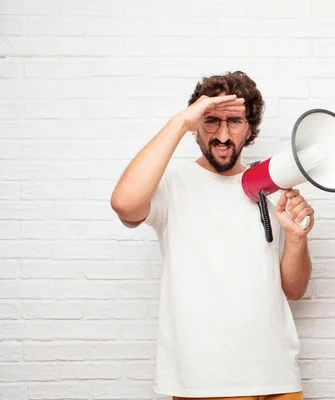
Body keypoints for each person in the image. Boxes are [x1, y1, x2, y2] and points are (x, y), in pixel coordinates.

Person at [110, 71, 314, 400]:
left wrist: (296, 238)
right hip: (206, 381)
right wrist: (181, 121)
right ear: (195, 127)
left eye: (234, 121)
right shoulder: (171, 185)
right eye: (210, 121)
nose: (222, 135)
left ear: (250, 129)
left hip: (277, 377)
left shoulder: (272, 187)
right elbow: (123, 203)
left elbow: (294, 289)